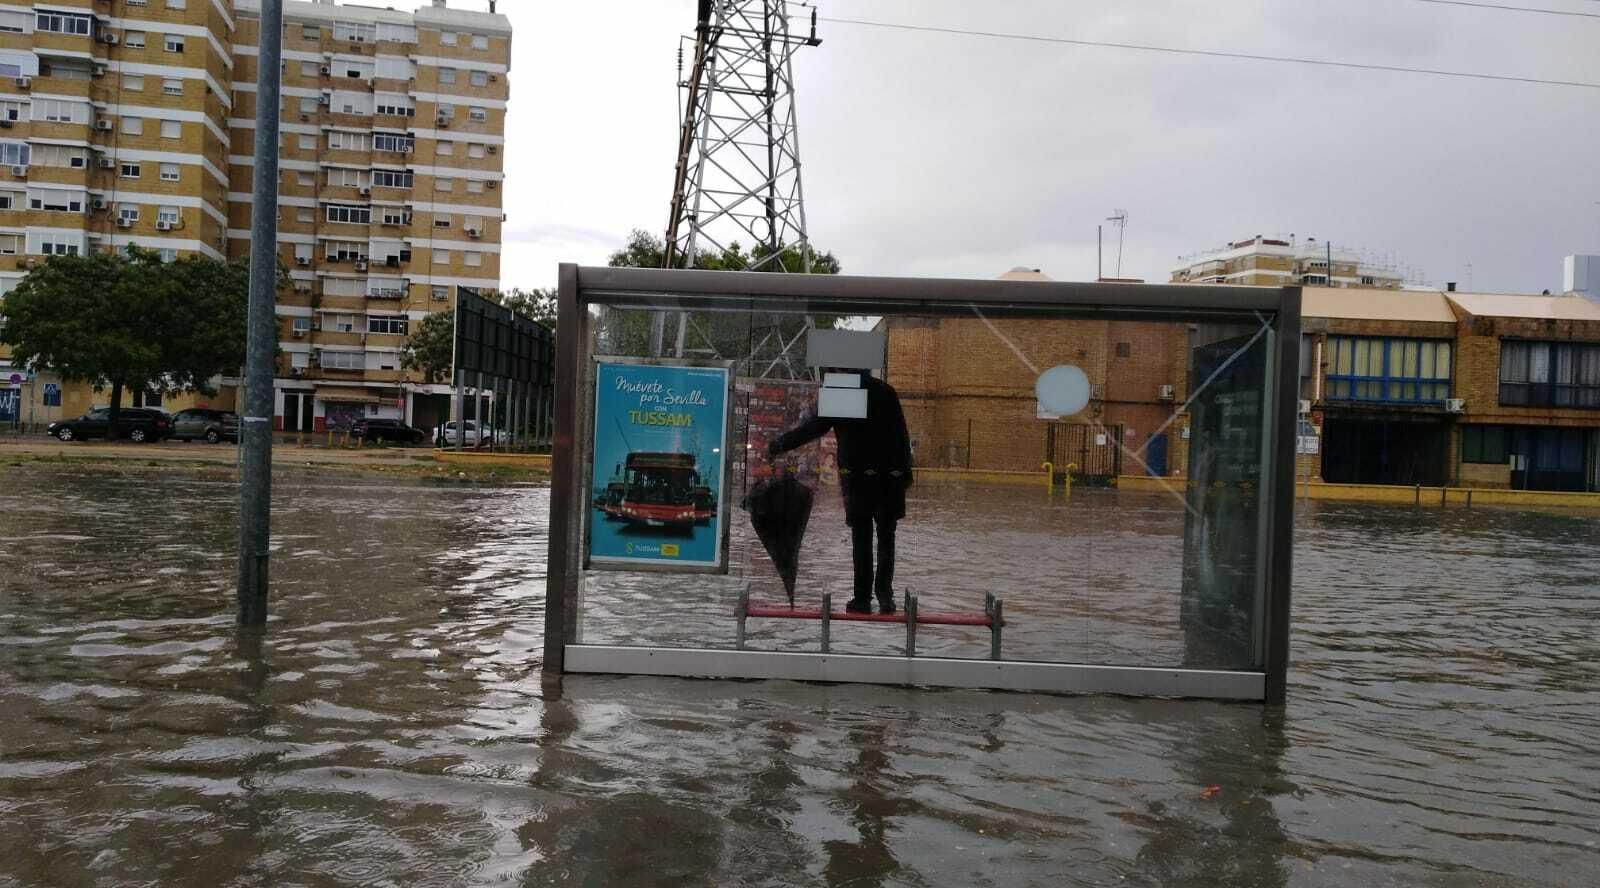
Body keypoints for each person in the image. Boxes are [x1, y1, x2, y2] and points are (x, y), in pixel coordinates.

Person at [768, 371, 913, 614]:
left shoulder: (843, 390)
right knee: (887, 538)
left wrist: (779, 445)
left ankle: (862, 599)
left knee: (861, 537)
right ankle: (885, 597)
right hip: (890, 477)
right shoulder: (885, 390)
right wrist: (905, 474)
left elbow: (815, 428)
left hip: (858, 479)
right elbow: (901, 434)